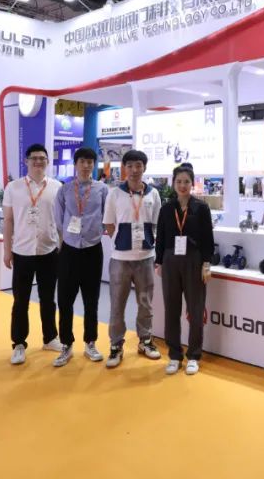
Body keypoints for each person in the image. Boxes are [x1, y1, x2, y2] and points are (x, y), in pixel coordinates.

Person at [3, 144, 63, 365]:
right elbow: (8, 220)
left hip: (48, 250)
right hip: (22, 251)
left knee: (48, 299)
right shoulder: (14, 187)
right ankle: (19, 343)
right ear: (26, 161)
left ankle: (50, 337)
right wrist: (7, 250)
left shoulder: (57, 187)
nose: (38, 162)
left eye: (42, 158)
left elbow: (60, 221)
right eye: (34, 158)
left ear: (48, 161)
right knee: (21, 301)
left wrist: (61, 246)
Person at [102, 149, 162, 368]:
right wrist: (121, 241)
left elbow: (157, 224)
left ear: (144, 168)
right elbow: (109, 224)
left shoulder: (153, 194)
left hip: (146, 258)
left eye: (138, 165)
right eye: (130, 166)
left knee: (145, 303)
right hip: (120, 259)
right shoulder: (114, 194)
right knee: (117, 304)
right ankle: (116, 344)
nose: (134, 170)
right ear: (124, 168)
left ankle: (145, 340)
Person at [156, 164, 214, 376]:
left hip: (194, 260)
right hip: (170, 260)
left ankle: (194, 356)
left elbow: (208, 238)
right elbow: (161, 236)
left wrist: (206, 263)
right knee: (171, 309)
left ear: (192, 183)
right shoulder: (166, 208)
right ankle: (174, 355)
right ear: (173, 183)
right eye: (179, 181)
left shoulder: (201, 208)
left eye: (186, 181)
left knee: (196, 309)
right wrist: (159, 262)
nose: (182, 185)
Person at [52, 146, 108, 367]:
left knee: (91, 300)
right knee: (65, 300)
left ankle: (90, 342)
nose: (86, 165)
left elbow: (107, 215)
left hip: (93, 250)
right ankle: (66, 344)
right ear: (75, 164)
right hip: (69, 250)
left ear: (94, 165)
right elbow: (58, 219)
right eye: (82, 161)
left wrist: (95, 229)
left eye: (90, 162)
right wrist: (68, 236)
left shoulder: (102, 189)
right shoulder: (64, 190)